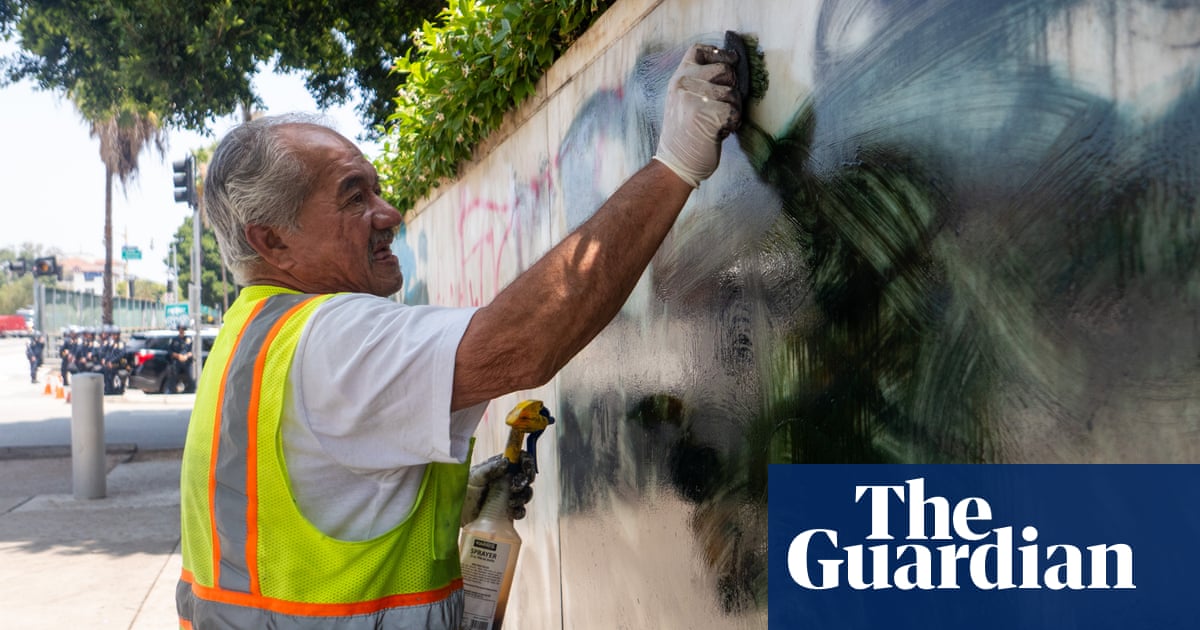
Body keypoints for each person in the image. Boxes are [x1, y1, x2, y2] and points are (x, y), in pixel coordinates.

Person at [177, 41, 741, 628]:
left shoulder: (251, 335)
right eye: (354, 197)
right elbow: (523, 342)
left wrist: (451, 498)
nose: (389, 213)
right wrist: (675, 164)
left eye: (376, 189)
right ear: (272, 240)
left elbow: (303, 515)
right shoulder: (332, 339)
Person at [164, 324, 195, 394]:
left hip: (186, 361)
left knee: (190, 376)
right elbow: (170, 351)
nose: (181, 331)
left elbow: (192, 351)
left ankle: (191, 390)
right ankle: (171, 390)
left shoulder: (189, 339)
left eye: (183, 330)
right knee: (173, 376)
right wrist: (178, 356)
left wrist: (186, 356)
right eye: (180, 329)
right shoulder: (174, 340)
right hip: (177, 361)